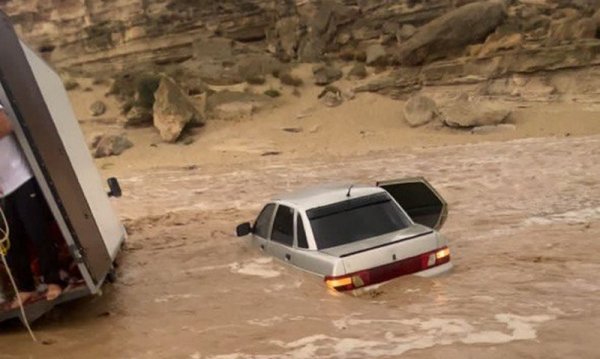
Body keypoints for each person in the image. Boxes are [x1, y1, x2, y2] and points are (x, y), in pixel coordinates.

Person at [0, 101, 63, 308]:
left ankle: (53, 281)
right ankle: (26, 288)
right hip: (3, 190)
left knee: (38, 232)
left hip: (22, 178)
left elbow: (6, 125)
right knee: (12, 243)